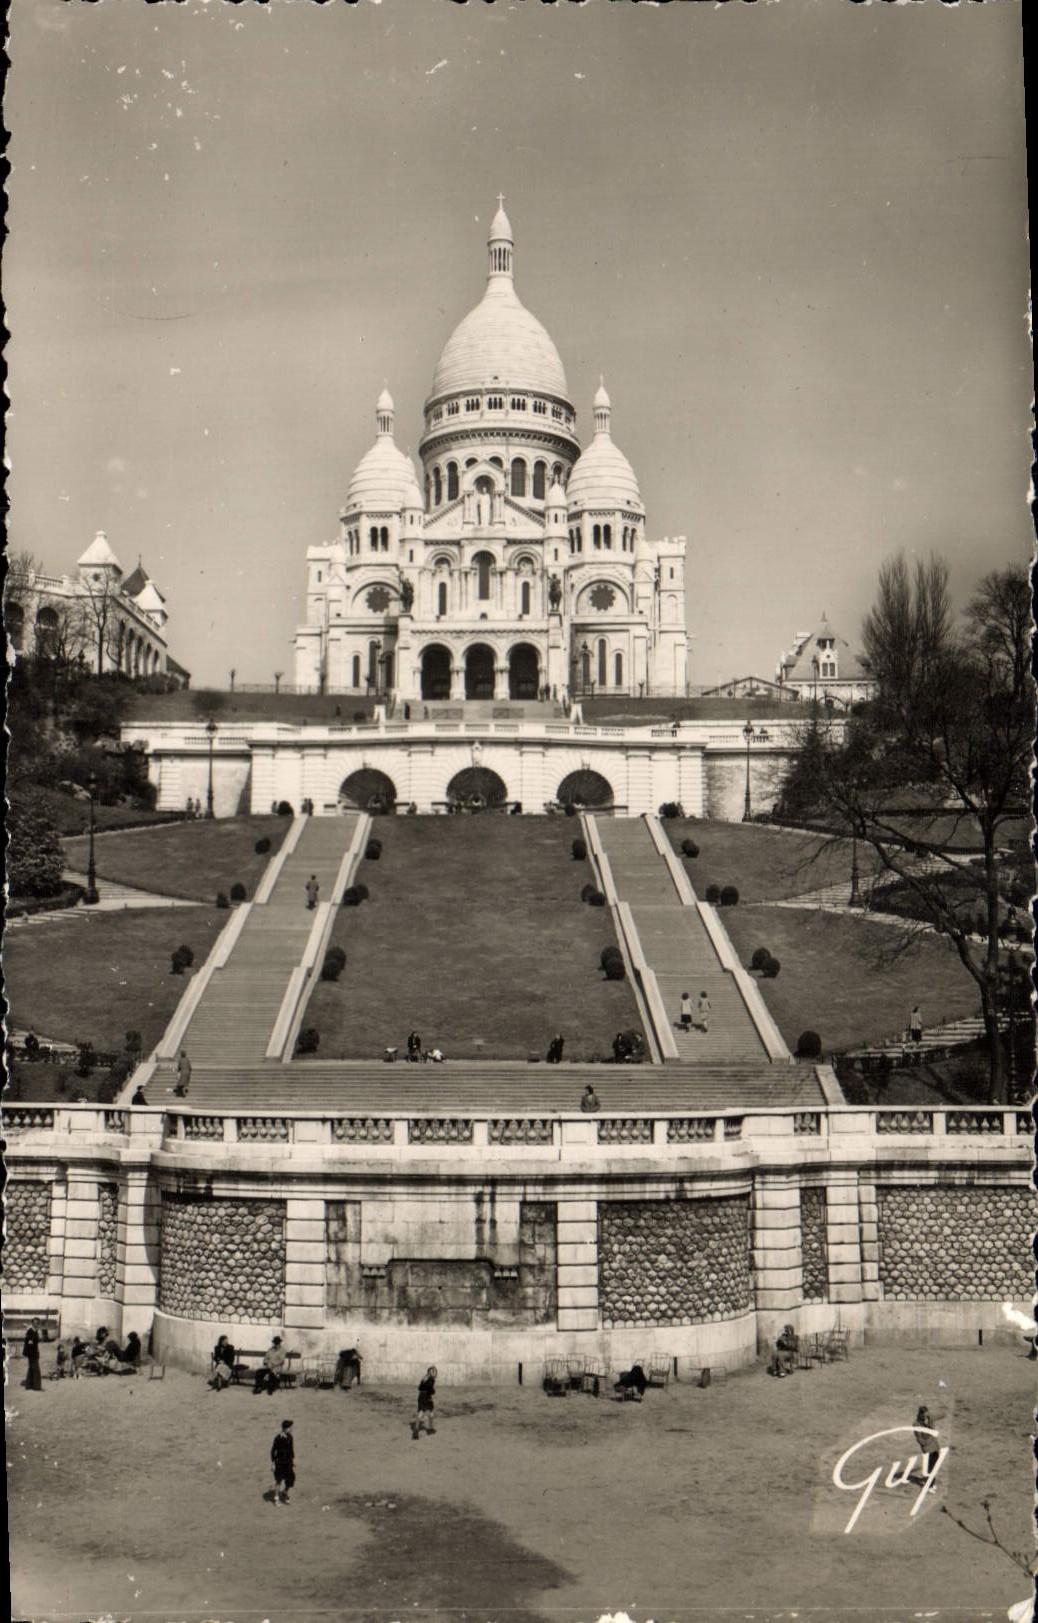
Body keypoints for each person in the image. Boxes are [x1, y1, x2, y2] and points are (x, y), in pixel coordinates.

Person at [271, 1419, 295, 1505]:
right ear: (285, 1428)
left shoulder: (290, 1437)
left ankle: (285, 1492)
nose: (292, 1429)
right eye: (290, 1427)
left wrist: (292, 1461)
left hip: (288, 1462)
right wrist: (273, 1463)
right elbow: (273, 1451)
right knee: (279, 1480)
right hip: (280, 1463)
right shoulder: (278, 1438)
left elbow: (291, 1450)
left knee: (290, 1479)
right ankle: (276, 1499)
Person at [411, 1366, 437, 1439]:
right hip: (427, 1397)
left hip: (421, 1396)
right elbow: (430, 1389)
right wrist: (433, 1391)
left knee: (420, 1412)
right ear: (430, 1372)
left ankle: (415, 1431)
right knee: (431, 1412)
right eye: (434, 1371)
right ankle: (430, 1429)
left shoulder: (424, 1378)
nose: (435, 1373)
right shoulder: (431, 1379)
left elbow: (419, 1387)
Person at [913, 1404, 938, 1480]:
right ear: (920, 1415)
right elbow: (920, 1440)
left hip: (934, 1447)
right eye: (924, 1415)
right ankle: (930, 1485)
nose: (925, 1417)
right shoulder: (917, 1424)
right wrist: (931, 1437)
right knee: (931, 1467)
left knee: (933, 1465)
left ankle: (929, 1480)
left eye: (926, 1415)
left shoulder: (928, 1420)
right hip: (927, 1449)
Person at [22, 1319, 43, 1392]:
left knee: (31, 1368)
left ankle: (29, 1385)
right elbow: (30, 1343)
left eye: (37, 1323)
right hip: (32, 1353)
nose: (36, 1324)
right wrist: (33, 1353)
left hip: (31, 1353)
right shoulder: (31, 1331)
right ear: (32, 1323)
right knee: (36, 1369)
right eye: (35, 1323)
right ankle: (37, 1386)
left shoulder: (33, 1331)